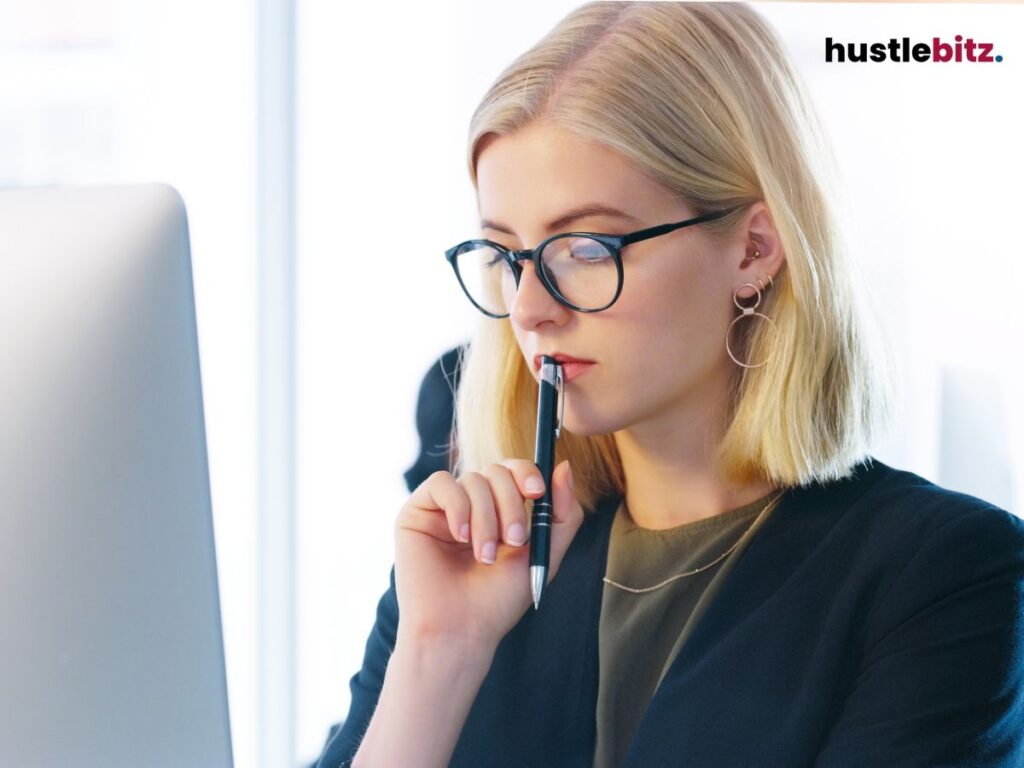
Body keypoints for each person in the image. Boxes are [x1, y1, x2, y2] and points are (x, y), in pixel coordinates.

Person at [315, 3, 1024, 766]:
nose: (528, 309)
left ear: (754, 248)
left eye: (584, 247)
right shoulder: (471, 558)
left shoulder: (946, 578)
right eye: (505, 254)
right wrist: (435, 656)